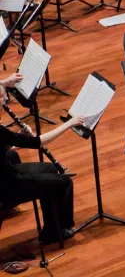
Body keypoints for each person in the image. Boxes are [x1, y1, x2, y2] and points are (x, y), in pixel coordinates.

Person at [0, 81, 85, 245]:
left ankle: (52, 226)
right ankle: (54, 233)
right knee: (64, 182)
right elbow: (37, 143)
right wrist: (68, 124)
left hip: (6, 173)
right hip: (7, 185)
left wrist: (18, 136)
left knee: (51, 169)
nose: (6, 98)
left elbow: (3, 145)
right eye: (2, 96)